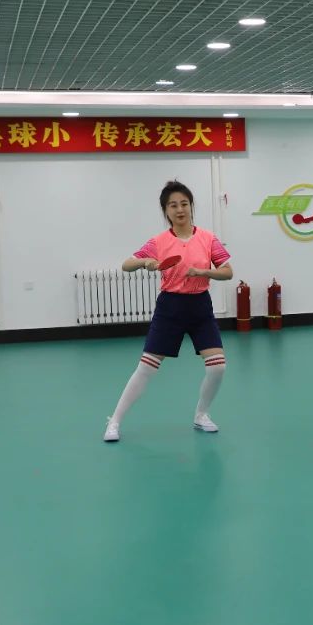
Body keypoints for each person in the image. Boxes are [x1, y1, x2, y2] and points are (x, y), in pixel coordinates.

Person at [103, 180, 233, 442]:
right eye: (173, 205)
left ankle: (201, 415)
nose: (180, 209)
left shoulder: (208, 238)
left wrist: (203, 272)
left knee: (218, 367)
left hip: (200, 307)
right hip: (170, 308)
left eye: (184, 203)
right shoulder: (158, 241)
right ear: (166, 211)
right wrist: (145, 261)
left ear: (191, 206)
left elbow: (227, 271)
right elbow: (126, 265)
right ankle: (114, 421)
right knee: (147, 367)